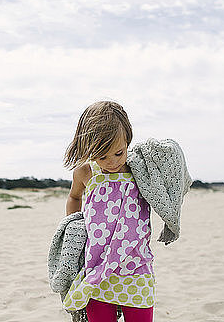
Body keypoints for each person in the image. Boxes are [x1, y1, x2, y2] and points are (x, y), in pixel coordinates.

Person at [62, 100, 155, 322]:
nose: (111, 162)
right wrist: (74, 227)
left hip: (136, 265)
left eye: (118, 153)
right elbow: (74, 197)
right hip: (97, 267)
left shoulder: (139, 169)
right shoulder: (85, 172)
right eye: (102, 156)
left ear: (128, 141)